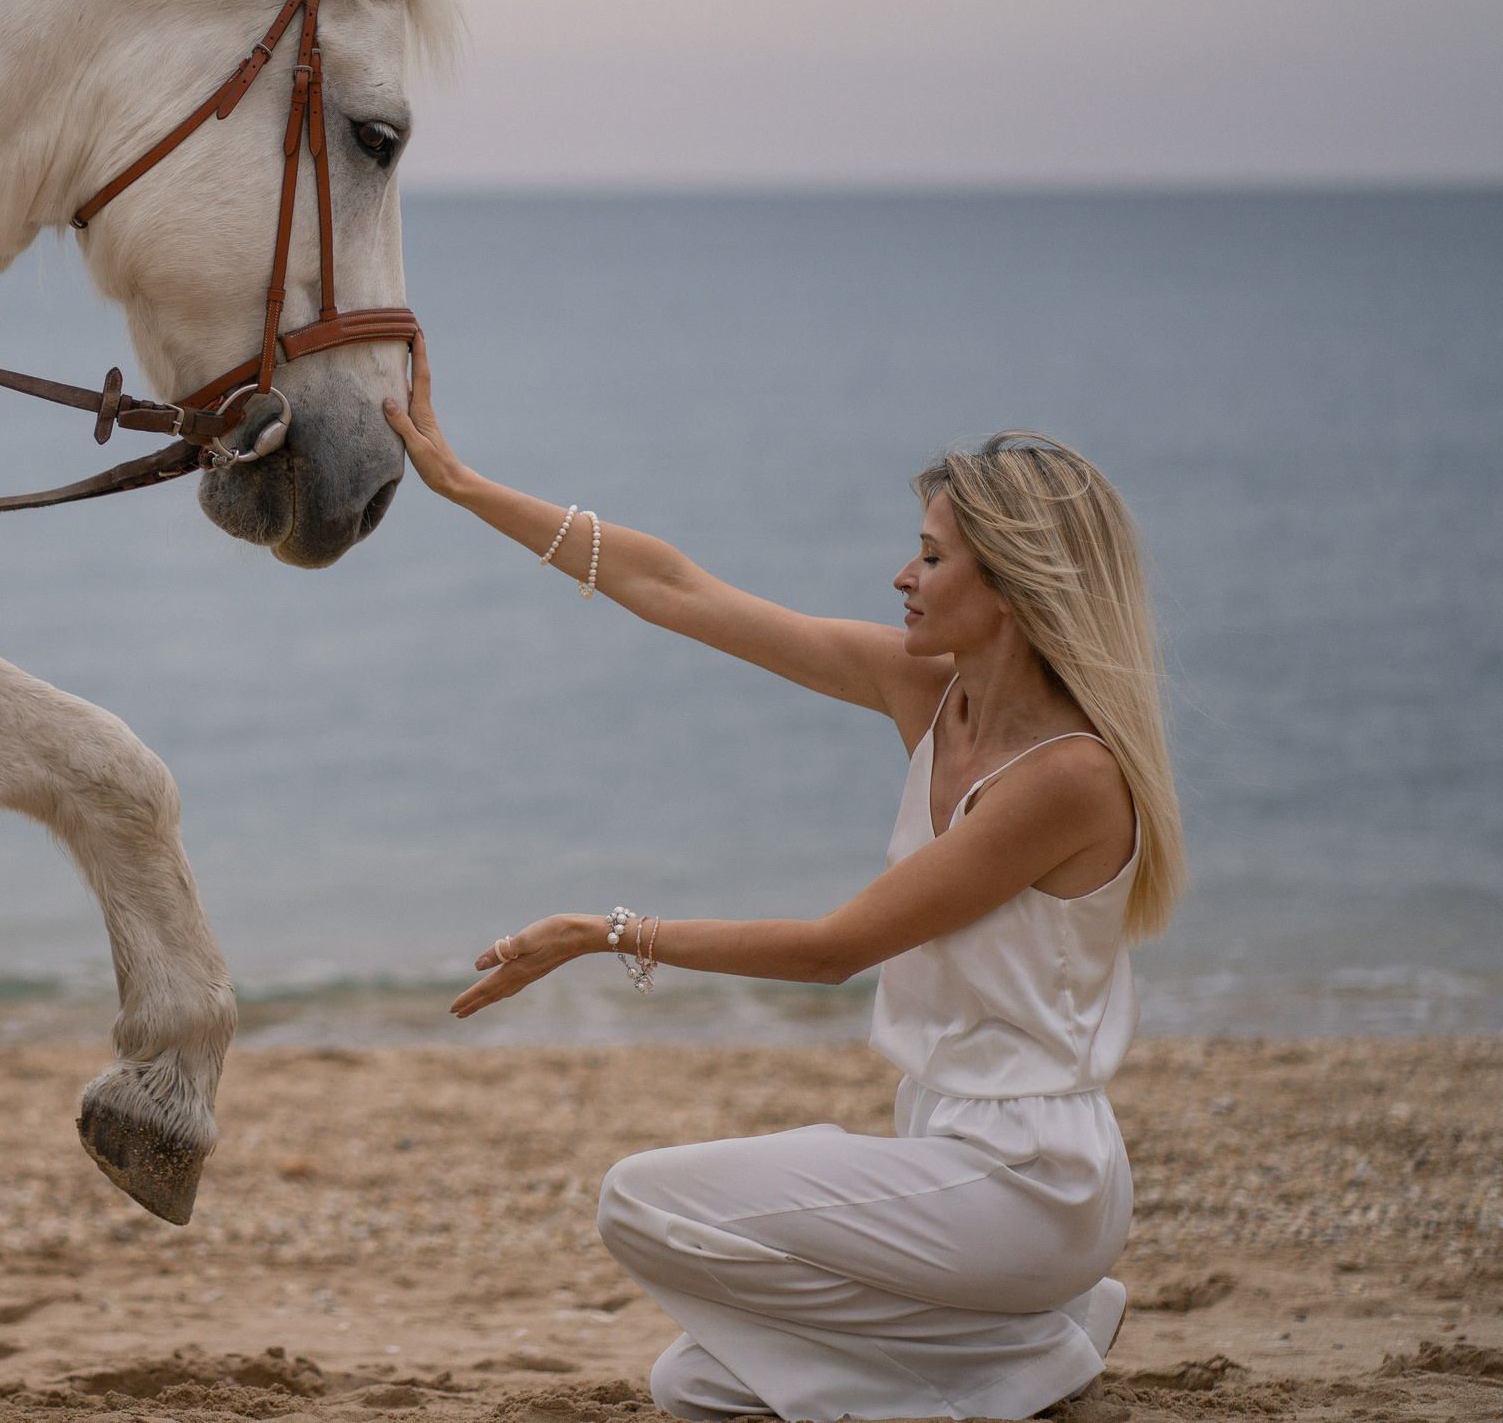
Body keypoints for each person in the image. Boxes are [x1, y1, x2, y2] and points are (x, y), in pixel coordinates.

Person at [382, 365, 1183, 1423]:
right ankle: (1027, 1346)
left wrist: (604, 931)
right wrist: (467, 487)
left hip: (1033, 1180)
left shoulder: (1066, 777)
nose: (903, 576)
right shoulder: (929, 692)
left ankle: (1035, 1343)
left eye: (933, 557)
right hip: (947, 1153)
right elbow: (677, 588)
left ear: (1011, 585)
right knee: (697, 1384)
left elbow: (828, 951)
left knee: (639, 1201)